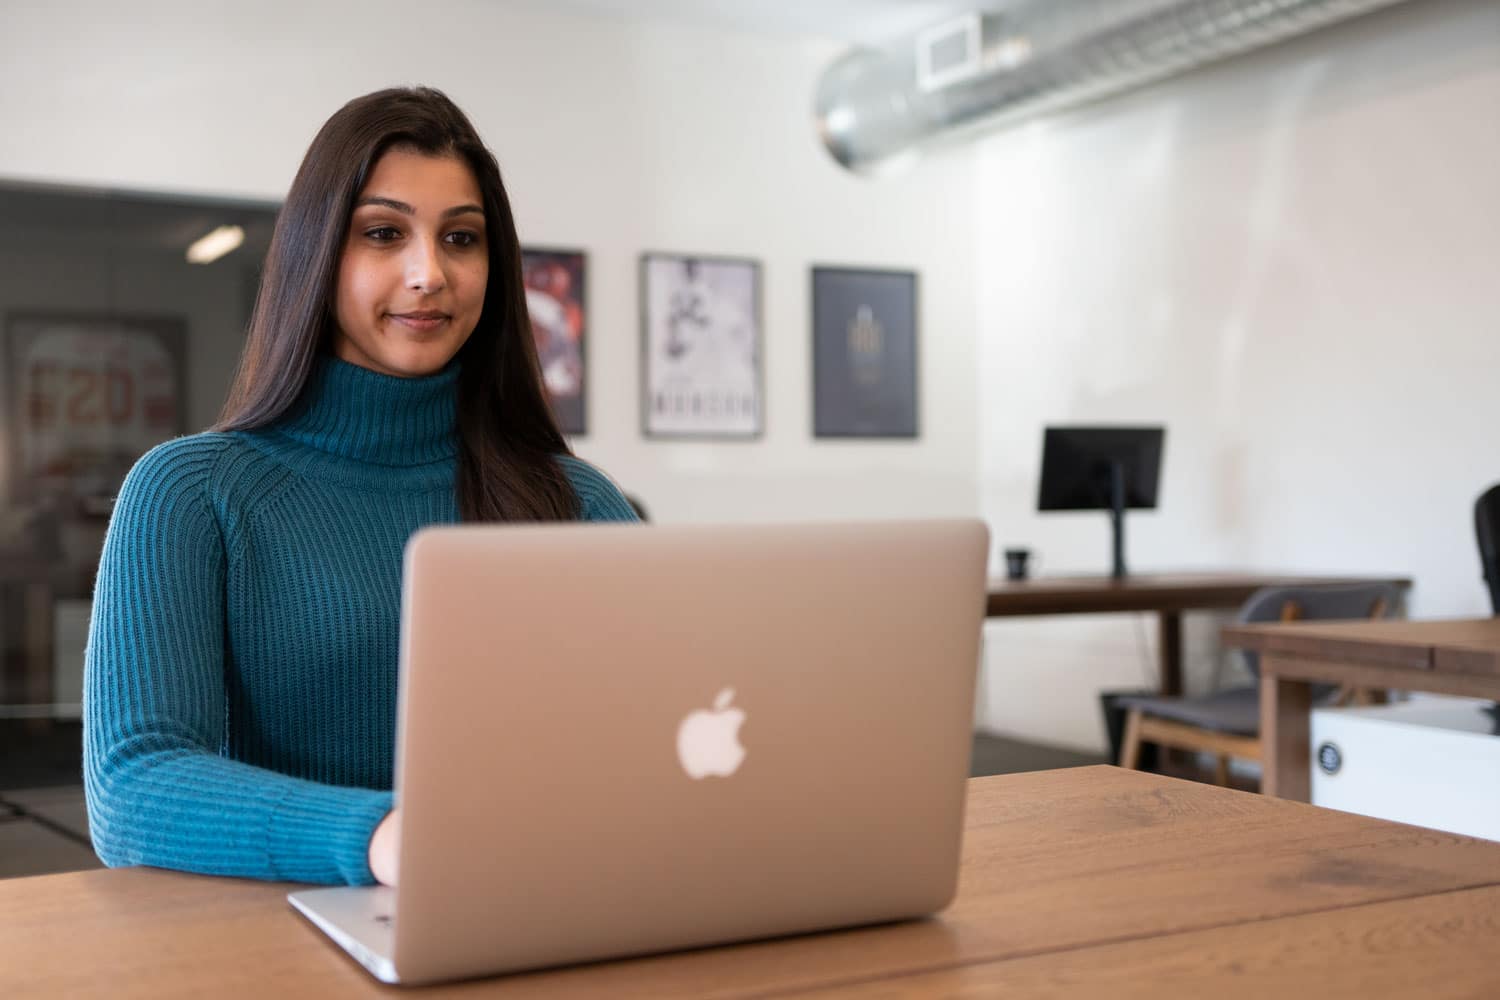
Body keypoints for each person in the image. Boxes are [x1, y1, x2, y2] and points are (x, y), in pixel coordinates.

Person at [82, 87, 638, 888]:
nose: (430, 273)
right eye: (383, 234)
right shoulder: (189, 492)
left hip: (542, 914)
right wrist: (383, 836)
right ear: (317, 256)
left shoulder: (576, 500)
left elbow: (670, 737)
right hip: (287, 946)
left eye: (462, 238)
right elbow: (135, 786)